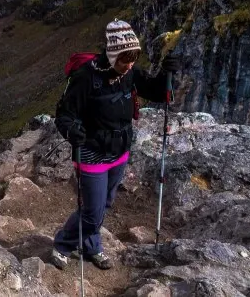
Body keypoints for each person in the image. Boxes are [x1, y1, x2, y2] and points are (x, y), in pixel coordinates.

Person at [50, 19, 178, 271]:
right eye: (123, 60)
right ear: (111, 55)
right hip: (92, 153)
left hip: (119, 152)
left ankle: (91, 245)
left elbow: (157, 92)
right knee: (93, 212)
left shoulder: (130, 73)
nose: (128, 65)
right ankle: (63, 244)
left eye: (133, 59)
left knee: (104, 204)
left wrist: (167, 75)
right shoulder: (86, 77)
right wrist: (71, 131)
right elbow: (64, 115)